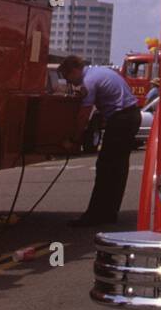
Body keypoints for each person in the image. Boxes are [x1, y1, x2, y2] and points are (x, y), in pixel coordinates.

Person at [58, 56, 141, 227]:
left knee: (105, 167)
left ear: (74, 71)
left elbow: (83, 115)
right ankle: (109, 212)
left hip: (121, 119)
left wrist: (74, 139)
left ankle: (96, 214)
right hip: (132, 115)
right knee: (118, 168)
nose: (71, 83)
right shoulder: (101, 71)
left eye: (68, 78)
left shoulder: (88, 81)